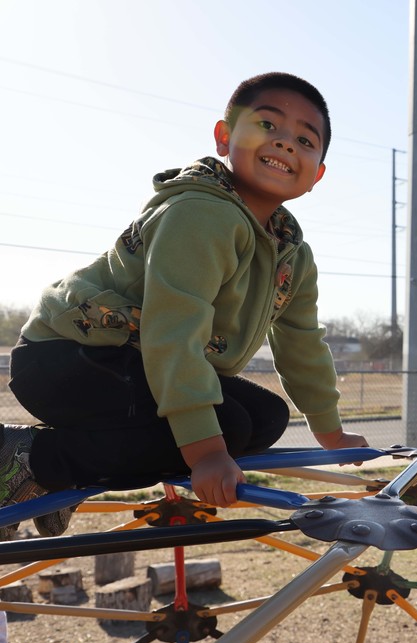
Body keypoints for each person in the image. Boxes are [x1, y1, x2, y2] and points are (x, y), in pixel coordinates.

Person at [0, 72, 368, 538]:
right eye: (268, 125)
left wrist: (330, 431)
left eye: (304, 139)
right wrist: (207, 453)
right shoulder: (201, 213)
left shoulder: (291, 253)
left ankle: (60, 472)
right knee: (220, 430)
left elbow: (303, 344)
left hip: (132, 360)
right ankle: (30, 461)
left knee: (266, 418)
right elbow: (173, 330)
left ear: (316, 175)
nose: (285, 143)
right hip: (66, 357)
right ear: (224, 137)